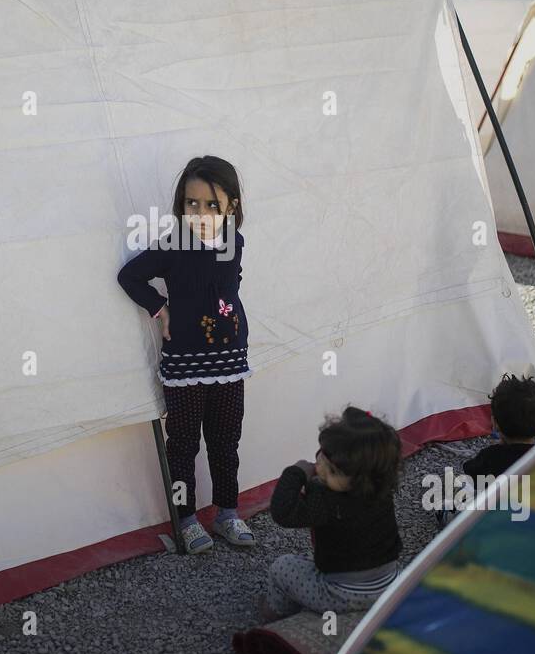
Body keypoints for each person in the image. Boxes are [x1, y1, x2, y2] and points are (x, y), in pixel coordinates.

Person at [117, 156, 253, 553]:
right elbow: (130, 276)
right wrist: (160, 309)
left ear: (232, 205)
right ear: (181, 205)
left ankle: (228, 513)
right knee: (183, 445)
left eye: (212, 204)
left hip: (230, 362)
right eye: (191, 203)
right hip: (185, 366)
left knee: (226, 440)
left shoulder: (235, 242)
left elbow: (231, 281)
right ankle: (188, 518)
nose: (201, 213)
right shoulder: (174, 248)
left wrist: (226, 310)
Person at [260, 407, 402, 619]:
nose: (320, 468)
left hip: (342, 593)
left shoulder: (329, 501)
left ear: (360, 479)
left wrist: (295, 473)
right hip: (390, 583)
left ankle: (274, 613)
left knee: (283, 567)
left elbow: (283, 512)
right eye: (323, 456)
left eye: (333, 471)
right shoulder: (380, 488)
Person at [434, 374, 535, 528]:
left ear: (494, 424)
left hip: (496, 529)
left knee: (458, 501)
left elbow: (469, 474)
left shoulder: (488, 457)